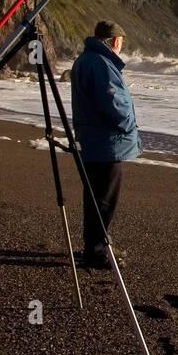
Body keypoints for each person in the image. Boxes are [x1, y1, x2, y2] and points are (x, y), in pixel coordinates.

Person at [70, 20, 142, 268]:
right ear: (115, 41)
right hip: (106, 142)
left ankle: (97, 245)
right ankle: (97, 251)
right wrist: (128, 125)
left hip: (94, 139)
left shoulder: (87, 59)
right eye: (121, 41)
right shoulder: (101, 63)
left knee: (95, 197)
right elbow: (113, 102)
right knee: (103, 198)